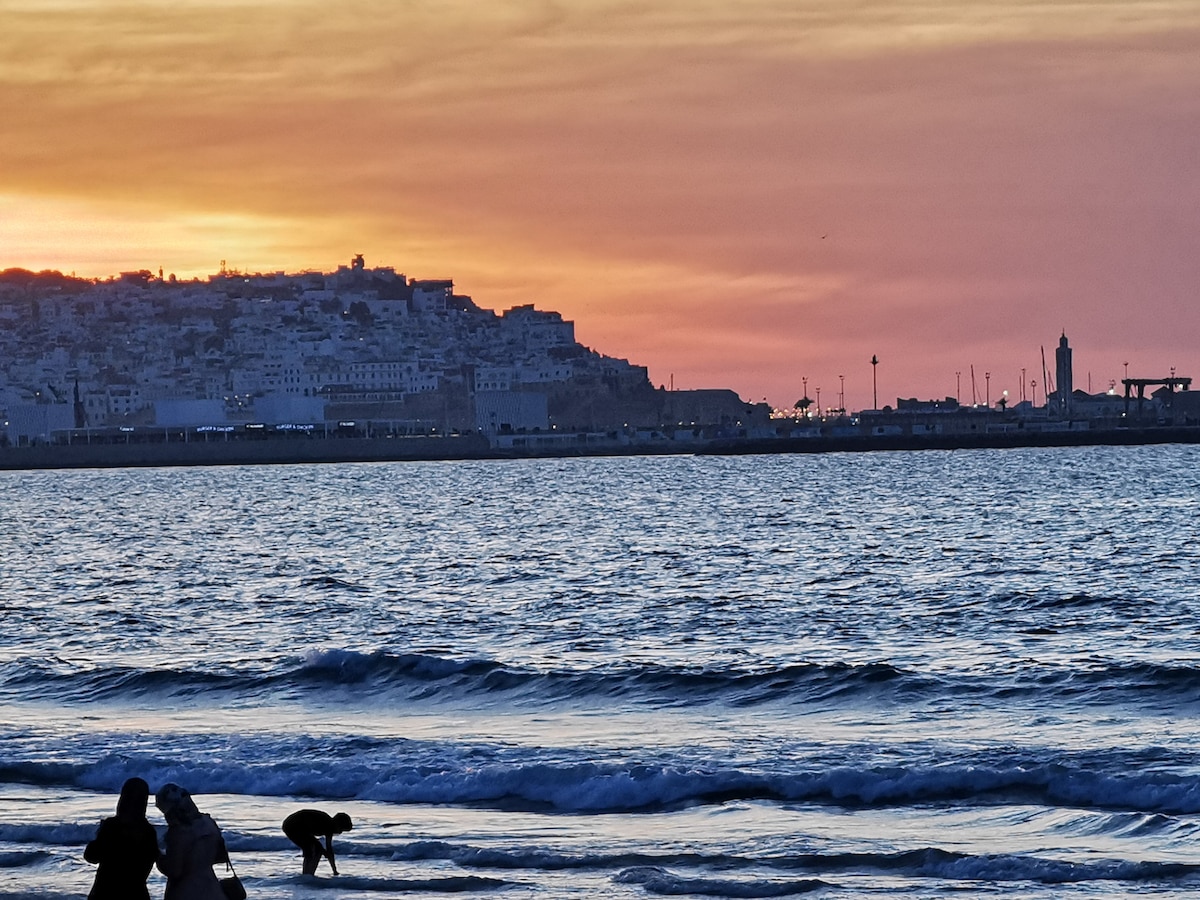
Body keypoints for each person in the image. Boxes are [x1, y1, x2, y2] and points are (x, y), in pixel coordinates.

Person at [83, 777, 161, 900]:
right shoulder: (148, 831)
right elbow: (149, 863)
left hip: (105, 891)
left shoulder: (112, 826)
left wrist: (99, 835)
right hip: (136, 893)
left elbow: (91, 856)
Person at [155, 783, 230, 900]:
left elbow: (175, 870)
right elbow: (219, 856)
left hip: (186, 892)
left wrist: (159, 858)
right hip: (213, 890)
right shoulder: (209, 822)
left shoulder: (178, 832)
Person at [282, 808, 352, 876]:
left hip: (298, 827)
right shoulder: (326, 823)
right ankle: (307, 874)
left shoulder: (329, 827)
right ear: (337, 824)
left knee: (314, 849)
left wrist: (334, 870)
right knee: (314, 849)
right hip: (292, 825)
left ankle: (308, 874)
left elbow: (329, 850)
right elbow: (309, 836)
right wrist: (322, 850)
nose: (339, 832)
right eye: (341, 829)